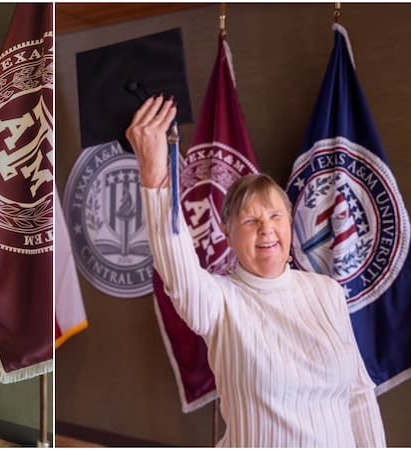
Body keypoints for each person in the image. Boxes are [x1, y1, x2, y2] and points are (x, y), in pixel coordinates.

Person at [126, 95, 386, 447]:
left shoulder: (327, 292)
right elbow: (177, 266)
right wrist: (154, 174)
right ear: (228, 235)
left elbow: (358, 395)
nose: (266, 228)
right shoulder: (219, 301)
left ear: (290, 225)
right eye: (250, 220)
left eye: (275, 216)